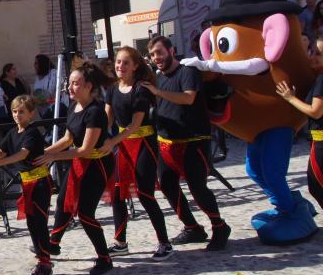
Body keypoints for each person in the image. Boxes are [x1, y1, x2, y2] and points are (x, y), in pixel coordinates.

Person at [142, 36, 231, 250]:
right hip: (167, 141)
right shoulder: (157, 76)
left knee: (198, 187)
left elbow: (188, 98)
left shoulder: (187, 71)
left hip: (194, 140)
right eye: (153, 54)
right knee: (167, 186)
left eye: (160, 52)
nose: (157, 58)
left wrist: (157, 92)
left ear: (171, 51)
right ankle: (193, 228)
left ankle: (219, 226)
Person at [36, 62, 115, 275]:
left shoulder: (95, 112)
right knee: (63, 201)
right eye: (69, 84)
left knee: (86, 213)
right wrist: (44, 152)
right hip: (81, 162)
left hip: (97, 163)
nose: (70, 88)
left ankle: (104, 258)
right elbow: (68, 138)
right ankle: (54, 243)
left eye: (75, 84)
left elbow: (84, 149)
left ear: (89, 86)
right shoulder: (73, 106)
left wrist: (52, 157)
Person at [99, 46, 173, 260]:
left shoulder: (140, 90)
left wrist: (112, 141)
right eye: (118, 62)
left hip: (143, 143)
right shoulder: (112, 89)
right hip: (123, 145)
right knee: (118, 193)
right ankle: (120, 242)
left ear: (135, 66)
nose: (120, 66)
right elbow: (108, 118)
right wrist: (100, 137)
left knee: (145, 193)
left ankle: (164, 243)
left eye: (125, 63)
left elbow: (134, 125)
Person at [0, 95, 53, 275]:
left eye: (22, 111)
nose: (17, 115)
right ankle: (42, 255)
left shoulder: (32, 132)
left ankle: (46, 262)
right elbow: (3, 150)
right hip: (27, 183)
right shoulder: (12, 132)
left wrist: (1, 163)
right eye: (15, 111)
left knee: (39, 222)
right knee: (32, 223)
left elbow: (22, 154)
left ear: (31, 114)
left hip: (40, 183)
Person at [277, 76, 323, 211]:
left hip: (320, 140)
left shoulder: (321, 79)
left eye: (317, 54)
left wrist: (290, 98)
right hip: (318, 139)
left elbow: (316, 111)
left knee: (317, 185)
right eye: (310, 52)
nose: (312, 56)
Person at [32, 54, 58, 118]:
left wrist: (42, 100)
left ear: (42, 64)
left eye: (36, 63)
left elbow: (51, 93)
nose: (34, 65)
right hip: (43, 111)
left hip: (55, 109)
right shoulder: (38, 77)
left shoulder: (53, 73)